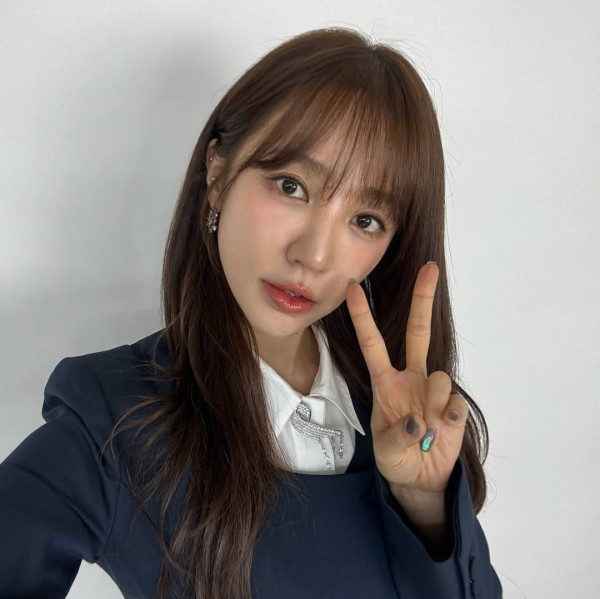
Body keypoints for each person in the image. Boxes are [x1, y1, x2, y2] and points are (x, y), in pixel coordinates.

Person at [0, 28, 502, 599]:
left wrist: (423, 502)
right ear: (217, 174)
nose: (314, 255)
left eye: (365, 221)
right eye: (292, 186)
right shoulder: (115, 418)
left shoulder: (400, 418)